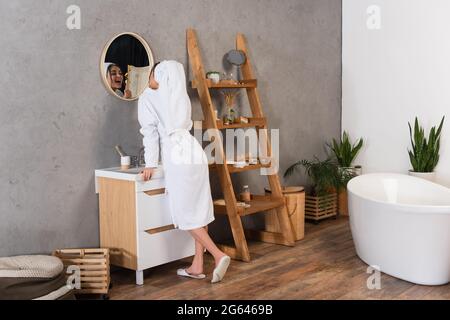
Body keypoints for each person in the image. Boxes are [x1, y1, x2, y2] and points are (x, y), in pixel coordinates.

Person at [138, 60, 231, 283]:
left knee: (184, 213)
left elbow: (149, 133)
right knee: (198, 209)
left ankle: (218, 255)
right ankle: (197, 264)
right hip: (194, 150)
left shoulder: (147, 97)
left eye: (151, 73)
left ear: (156, 75)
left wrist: (150, 163)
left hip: (176, 155)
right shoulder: (179, 98)